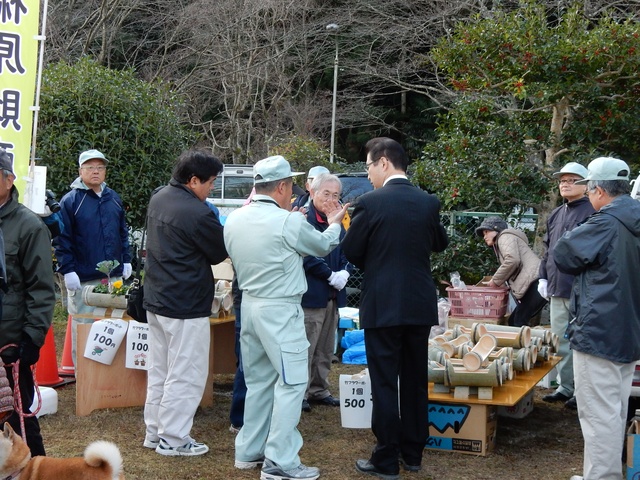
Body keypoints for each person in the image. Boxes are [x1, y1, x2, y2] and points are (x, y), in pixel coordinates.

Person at [224, 155, 348, 480]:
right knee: (293, 382)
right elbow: (321, 245)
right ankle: (280, 459)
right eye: (290, 185)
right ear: (280, 186)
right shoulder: (287, 220)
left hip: (249, 304)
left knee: (259, 382)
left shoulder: (234, 219)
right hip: (280, 308)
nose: (292, 191)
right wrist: (335, 222)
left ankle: (249, 450)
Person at [341, 137, 448, 478]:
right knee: (415, 379)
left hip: (383, 303)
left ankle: (386, 456)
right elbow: (439, 242)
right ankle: (414, 452)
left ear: (384, 163)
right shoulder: (428, 201)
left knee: (385, 381)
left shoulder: (370, 203)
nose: (368, 173)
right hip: (418, 302)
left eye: (370, 166)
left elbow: (352, 250)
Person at [555, 157, 640, 480]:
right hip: (629, 329)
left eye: (588, 187)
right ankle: (600, 474)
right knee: (614, 410)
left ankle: (602, 478)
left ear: (599, 190)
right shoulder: (634, 217)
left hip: (599, 330)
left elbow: (564, 253)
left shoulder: (605, 222)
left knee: (598, 414)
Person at [142, 149, 228, 456]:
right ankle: (174, 439)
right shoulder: (197, 212)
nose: (211, 189)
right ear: (194, 180)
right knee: (185, 374)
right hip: (185, 302)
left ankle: (154, 432)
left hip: (157, 298)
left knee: (160, 370)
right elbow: (219, 252)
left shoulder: (160, 197)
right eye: (210, 183)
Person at [0, 148, 56, 456]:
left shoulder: (29, 226)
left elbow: (42, 287)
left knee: (16, 419)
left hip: (10, 341)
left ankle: (36, 471)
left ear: (9, 180)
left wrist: (32, 338)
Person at [55, 149, 132, 366]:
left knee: (115, 326)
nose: (95, 172)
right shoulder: (71, 201)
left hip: (113, 277)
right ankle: (85, 378)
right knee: (84, 327)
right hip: (83, 277)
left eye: (100, 167)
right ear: (80, 171)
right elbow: (62, 238)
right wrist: (68, 270)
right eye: (90, 167)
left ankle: (110, 379)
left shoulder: (113, 197)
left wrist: (126, 259)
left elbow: (122, 232)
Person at [538, 162, 595, 410]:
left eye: (572, 180)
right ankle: (566, 386)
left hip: (581, 288)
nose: (565, 183)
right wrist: (542, 277)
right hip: (556, 286)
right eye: (562, 180)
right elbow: (547, 250)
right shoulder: (555, 214)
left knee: (582, 342)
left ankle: (582, 392)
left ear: (586, 184)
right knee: (560, 339)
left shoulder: (593, 211)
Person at [300, 173, 352, 413]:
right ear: (313, 193)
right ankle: (299, 394)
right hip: (311, 294)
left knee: (325, 348)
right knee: (306, 347)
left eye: (336, 195)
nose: (331, 199)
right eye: (326, 194)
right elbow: (307, 255)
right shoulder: (303, 218)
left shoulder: (339, 220)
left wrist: (345, 273)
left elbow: (345, 250)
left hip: (332, 295)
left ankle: (319, 389)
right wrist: (330, 275)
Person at [475, 216, 547, 327]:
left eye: (486, 232)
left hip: (535, 282)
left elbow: (512, 260)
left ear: (496, 229)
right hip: (536, 281)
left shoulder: (504, 237)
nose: (484, 237)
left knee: (517, 322)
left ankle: (522, 344)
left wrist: (495, 281)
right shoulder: (505, 239)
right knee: (515, 321)